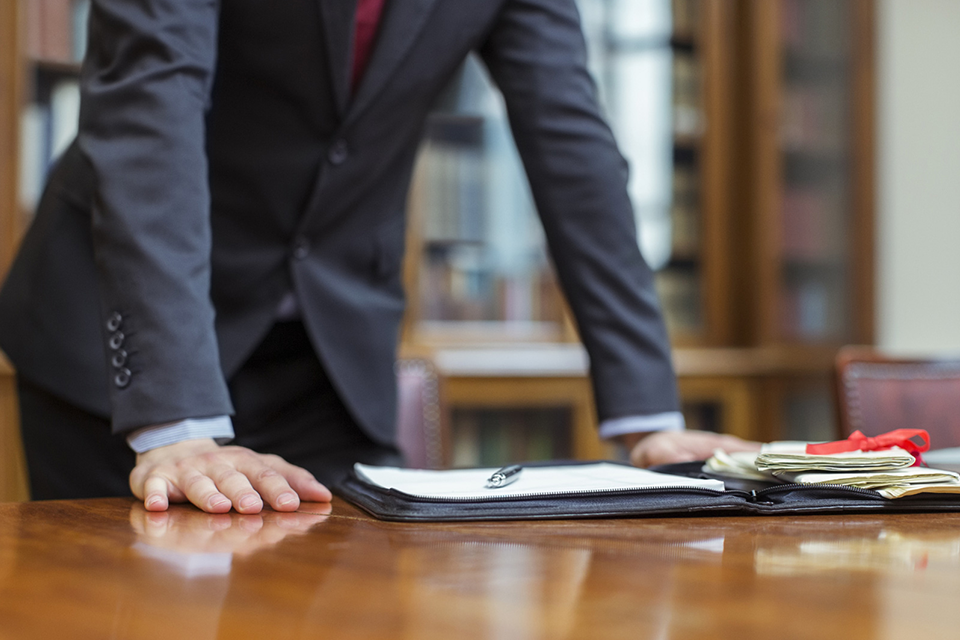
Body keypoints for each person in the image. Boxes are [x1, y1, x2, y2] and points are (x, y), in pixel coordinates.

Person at [0, 0, 758, 514]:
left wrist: (647, 415)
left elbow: (572, 147)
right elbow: (148, 107)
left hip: (330, 359)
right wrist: (177, 423)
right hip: (125, 354)